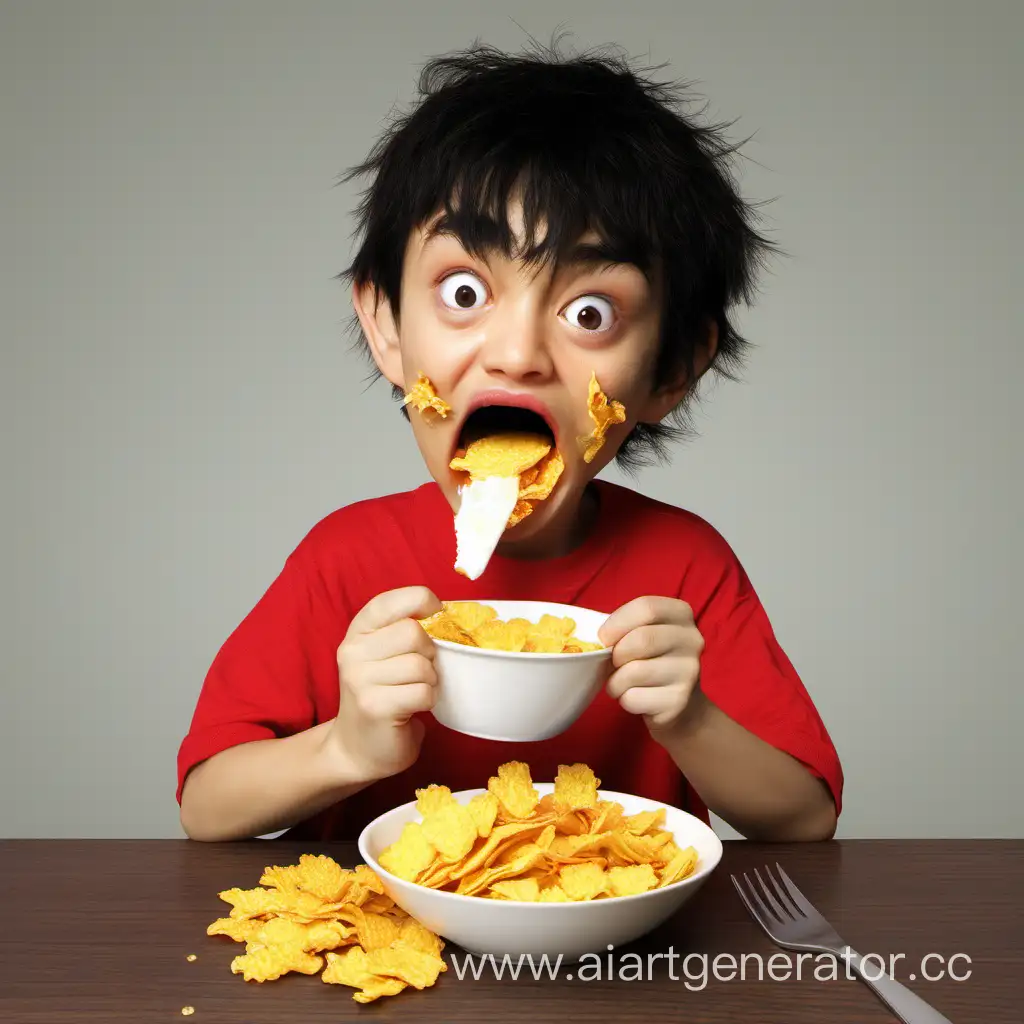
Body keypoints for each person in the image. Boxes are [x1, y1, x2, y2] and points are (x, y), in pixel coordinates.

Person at [177, 42, 843, 844]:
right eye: (465, 293)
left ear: (672, 372)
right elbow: (207, 809)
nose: (517, 352)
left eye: (590, 312)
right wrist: (345, 748)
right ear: (387, 327)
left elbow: (806, 820)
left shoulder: (684, 569)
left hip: (623, 958)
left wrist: (690, 720)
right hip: (384, 950)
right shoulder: (346, 561)